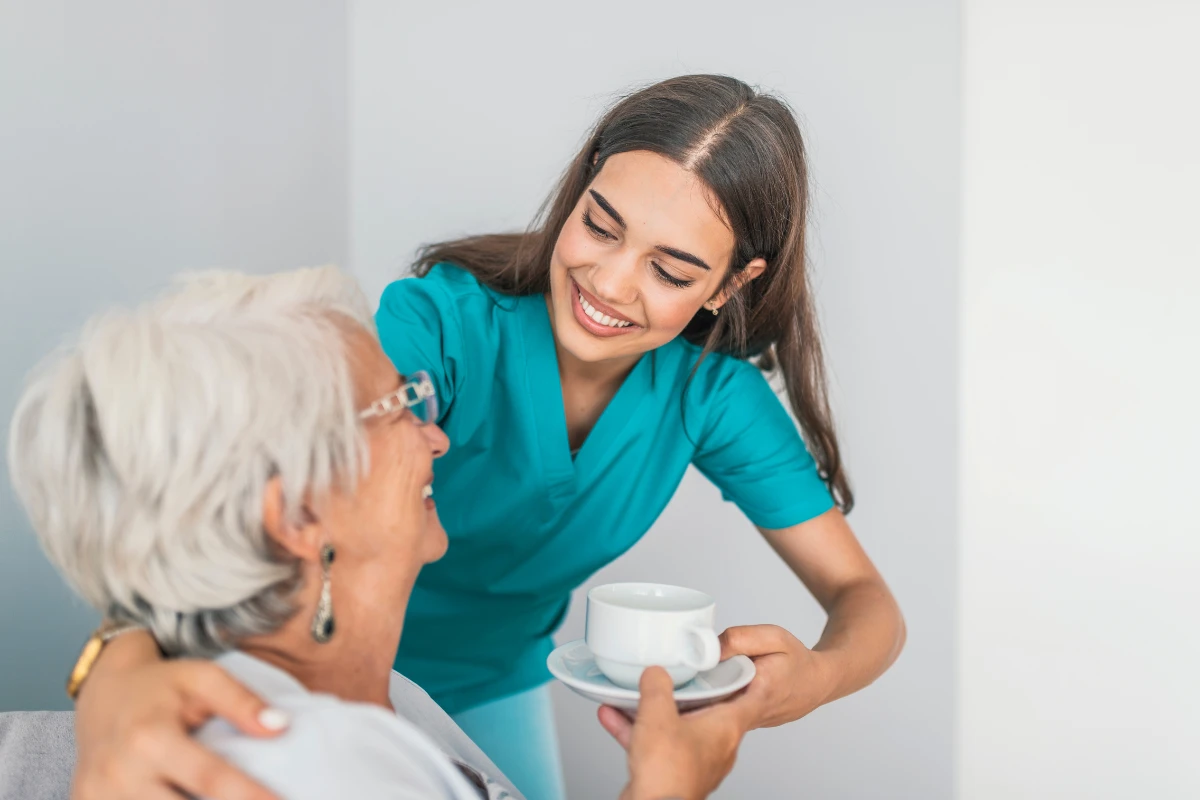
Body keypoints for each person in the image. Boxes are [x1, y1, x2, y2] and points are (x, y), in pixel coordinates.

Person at [72, 74, 907, 800]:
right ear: (576, 191)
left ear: (732, 283)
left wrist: (808, 682)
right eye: (601, 226)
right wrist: (118, 669)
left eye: (671, 269)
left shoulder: (711, 398)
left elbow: (868, 607)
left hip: (491, 685)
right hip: (311, 666)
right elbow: (261, 485)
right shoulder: (441, 324)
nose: (608, 283)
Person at [8, 267, 744, 800]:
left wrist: (113, 659)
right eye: (401, 406)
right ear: (297, 514)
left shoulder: (374, 695)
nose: (439, 440)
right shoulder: (315, 763)